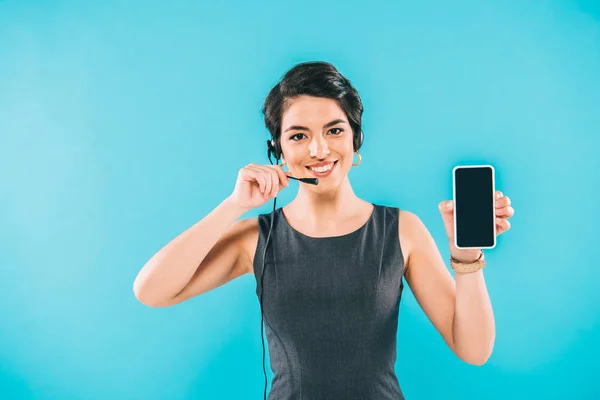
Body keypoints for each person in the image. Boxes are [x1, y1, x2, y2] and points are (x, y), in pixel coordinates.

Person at [133, 61, 515, 399]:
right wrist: (234, 205)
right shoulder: (255, 239)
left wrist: (466, 257)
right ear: (277, 150)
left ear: (355, 137)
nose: (318, 149)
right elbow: (150, 291)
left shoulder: (401, 230)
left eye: (334, 130)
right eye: (298, 136)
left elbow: (474, 349)